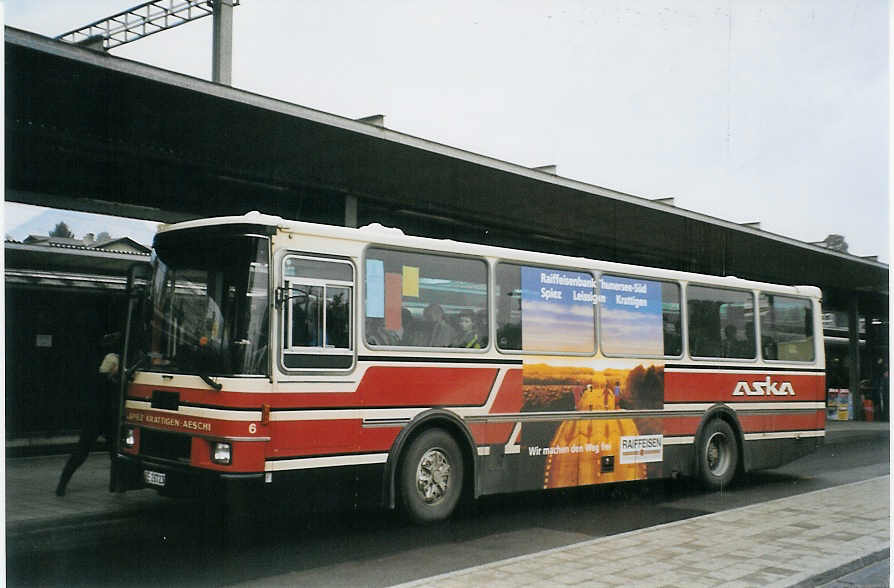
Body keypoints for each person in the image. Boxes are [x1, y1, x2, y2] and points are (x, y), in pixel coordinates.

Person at [56, 332, 121, 497]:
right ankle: (115, 485)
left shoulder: (94, 365)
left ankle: (62, 484)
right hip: (107, 416)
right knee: (114, 452)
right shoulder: (111, 362)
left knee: (82, 450)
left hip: (94, 414)